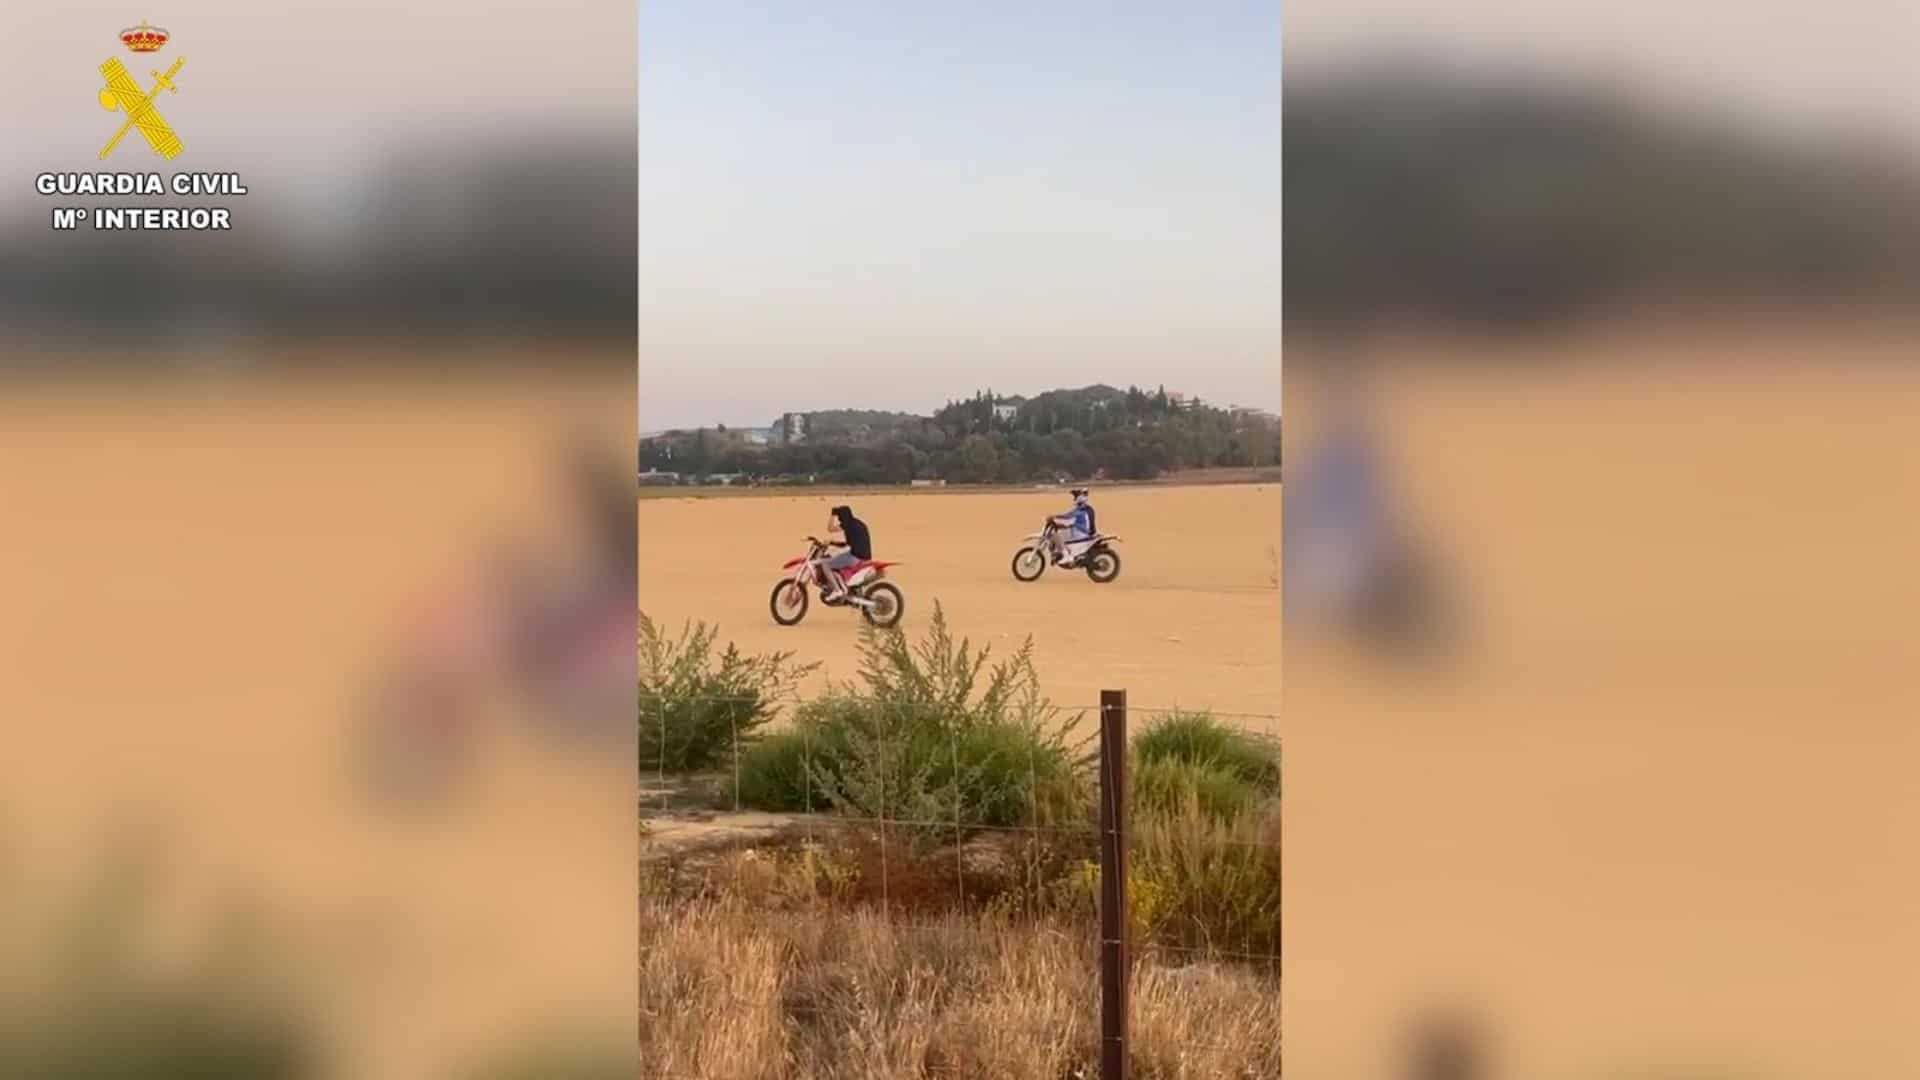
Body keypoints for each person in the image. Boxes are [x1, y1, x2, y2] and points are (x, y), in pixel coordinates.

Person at [820, 504, 872, 603]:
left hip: (855, 557)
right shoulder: (857, 523)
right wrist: (832, 543)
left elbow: (830, 529)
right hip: (864, 557)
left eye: (840, 517)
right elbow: (848, 544)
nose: (839, 520)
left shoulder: (847, 524)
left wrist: (832, 515)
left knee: (825, 564)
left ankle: (837, 590)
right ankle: (842, 586)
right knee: (837, 559)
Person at [1048, 488, 1096, 566]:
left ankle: (1066, 556)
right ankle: (1063, 554)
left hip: (1081, 533)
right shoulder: (1087, 508)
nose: (1074, 498)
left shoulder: (1081, 510)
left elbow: (1067, 516)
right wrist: (1061, 525)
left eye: (1075, 496)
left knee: (1055, 536)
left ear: (1080, 497)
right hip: (1083, 532)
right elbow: (1075, 523)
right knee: (1061, 535)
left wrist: (1054, 516)